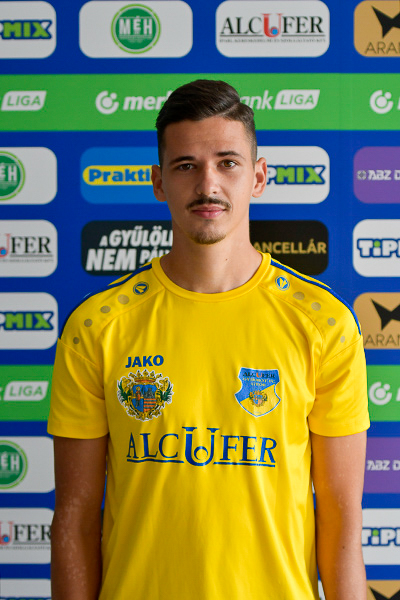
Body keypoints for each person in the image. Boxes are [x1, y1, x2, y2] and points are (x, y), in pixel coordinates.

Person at [48, 79, 369, 600]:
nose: (207, 184)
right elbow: (75, 517)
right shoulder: (97, 326)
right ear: (158, 182)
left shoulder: (324, 324)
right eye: (186, 166)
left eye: (227, 163)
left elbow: (341, 517)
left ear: (258, 177)